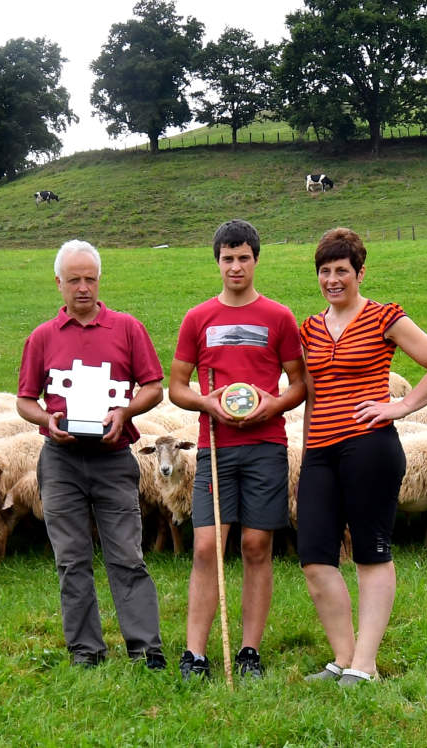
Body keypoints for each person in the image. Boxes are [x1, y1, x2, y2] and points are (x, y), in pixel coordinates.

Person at [296, 227, 427, 686]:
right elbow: (306, 392)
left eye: (341, 271)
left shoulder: (384, 317)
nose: (332, 279)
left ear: (359, 272)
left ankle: (365, 664)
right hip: (319, 451)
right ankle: (343, 658)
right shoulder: (308, 327)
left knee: (370, 553)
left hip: (370, 447)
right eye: (325, 271)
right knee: (314, 557)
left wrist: (401, 406)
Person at [15, 239, 168, 670]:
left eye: (90, 279)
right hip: (60, 462)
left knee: (127, 555)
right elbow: (25, 400)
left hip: (113, 457)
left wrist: (125, 412)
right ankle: (86, 651)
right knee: (71, 559)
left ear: (99, 280)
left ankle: (145, 649)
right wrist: (46, 420)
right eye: (74, 280)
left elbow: (153, 387)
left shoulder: (127, 329)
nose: (83, 288)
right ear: (59, 283)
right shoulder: (42, 338)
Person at [167, 219, 305, 681]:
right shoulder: (198, 318)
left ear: (256, 260)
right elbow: (178, 387)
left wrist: (274, 404)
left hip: (265, 445)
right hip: (214, 447)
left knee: (256, 544)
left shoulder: (279, 317)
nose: (236, 266)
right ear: (217, 262)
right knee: (207, 546)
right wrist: (207, 403)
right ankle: (195, 655)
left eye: (244, 257)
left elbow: (299, 383)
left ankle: (249, 651)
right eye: (228, 258)